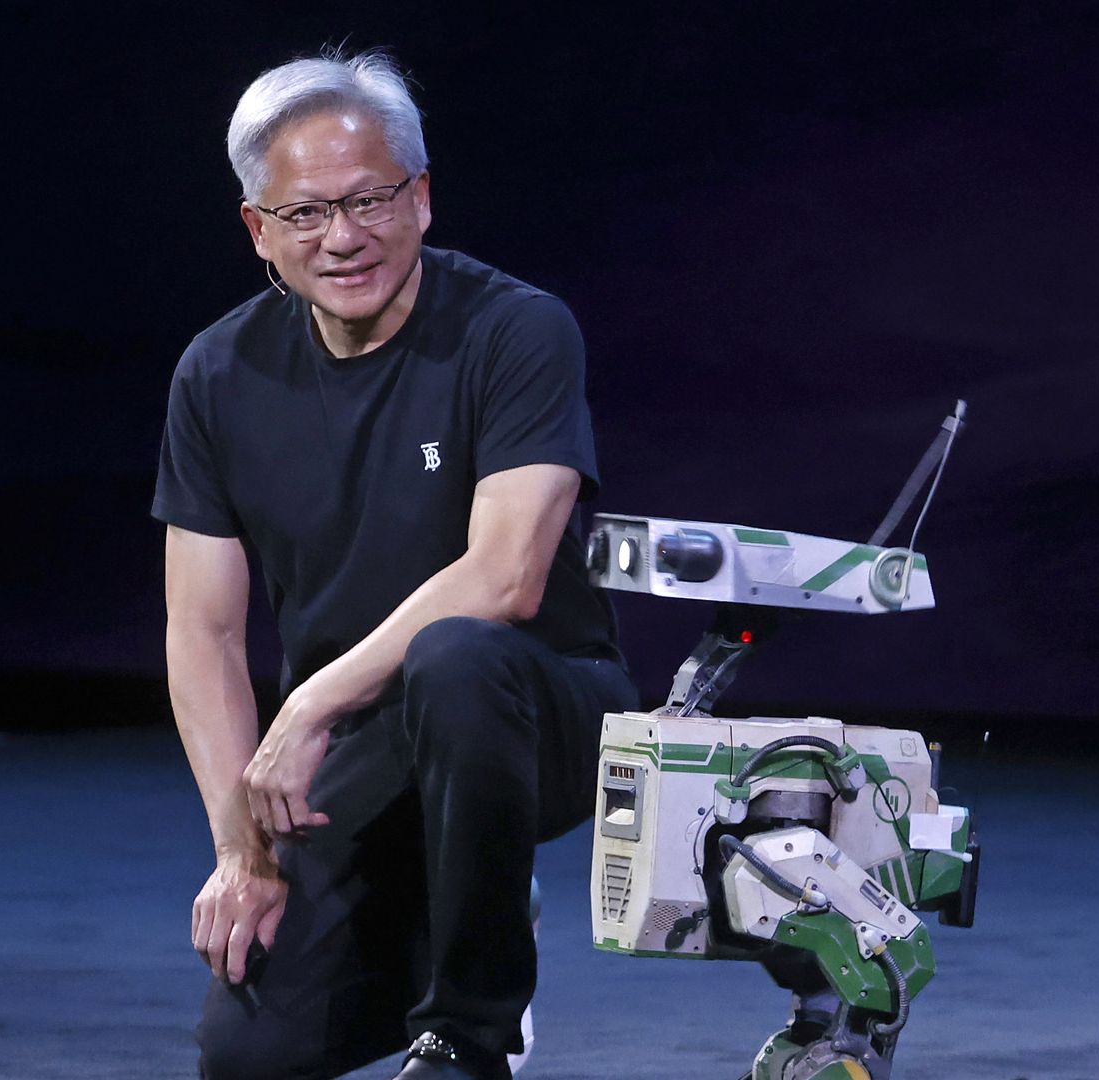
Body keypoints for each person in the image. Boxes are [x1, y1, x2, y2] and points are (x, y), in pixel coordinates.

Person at [152, 49, 636, 1080]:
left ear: (421, 196)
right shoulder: (218, 372)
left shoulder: (517, 329)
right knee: (248, 1056)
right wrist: (244, 852)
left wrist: (309, 708)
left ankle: (470, 1034)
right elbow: (202, 632)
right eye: (304, 214)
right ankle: (449, 896)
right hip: (368, 739)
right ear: (257, 230)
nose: (343, 237)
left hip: (544, 703)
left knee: (457, 658)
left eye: (371, 200)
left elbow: (506, 578)